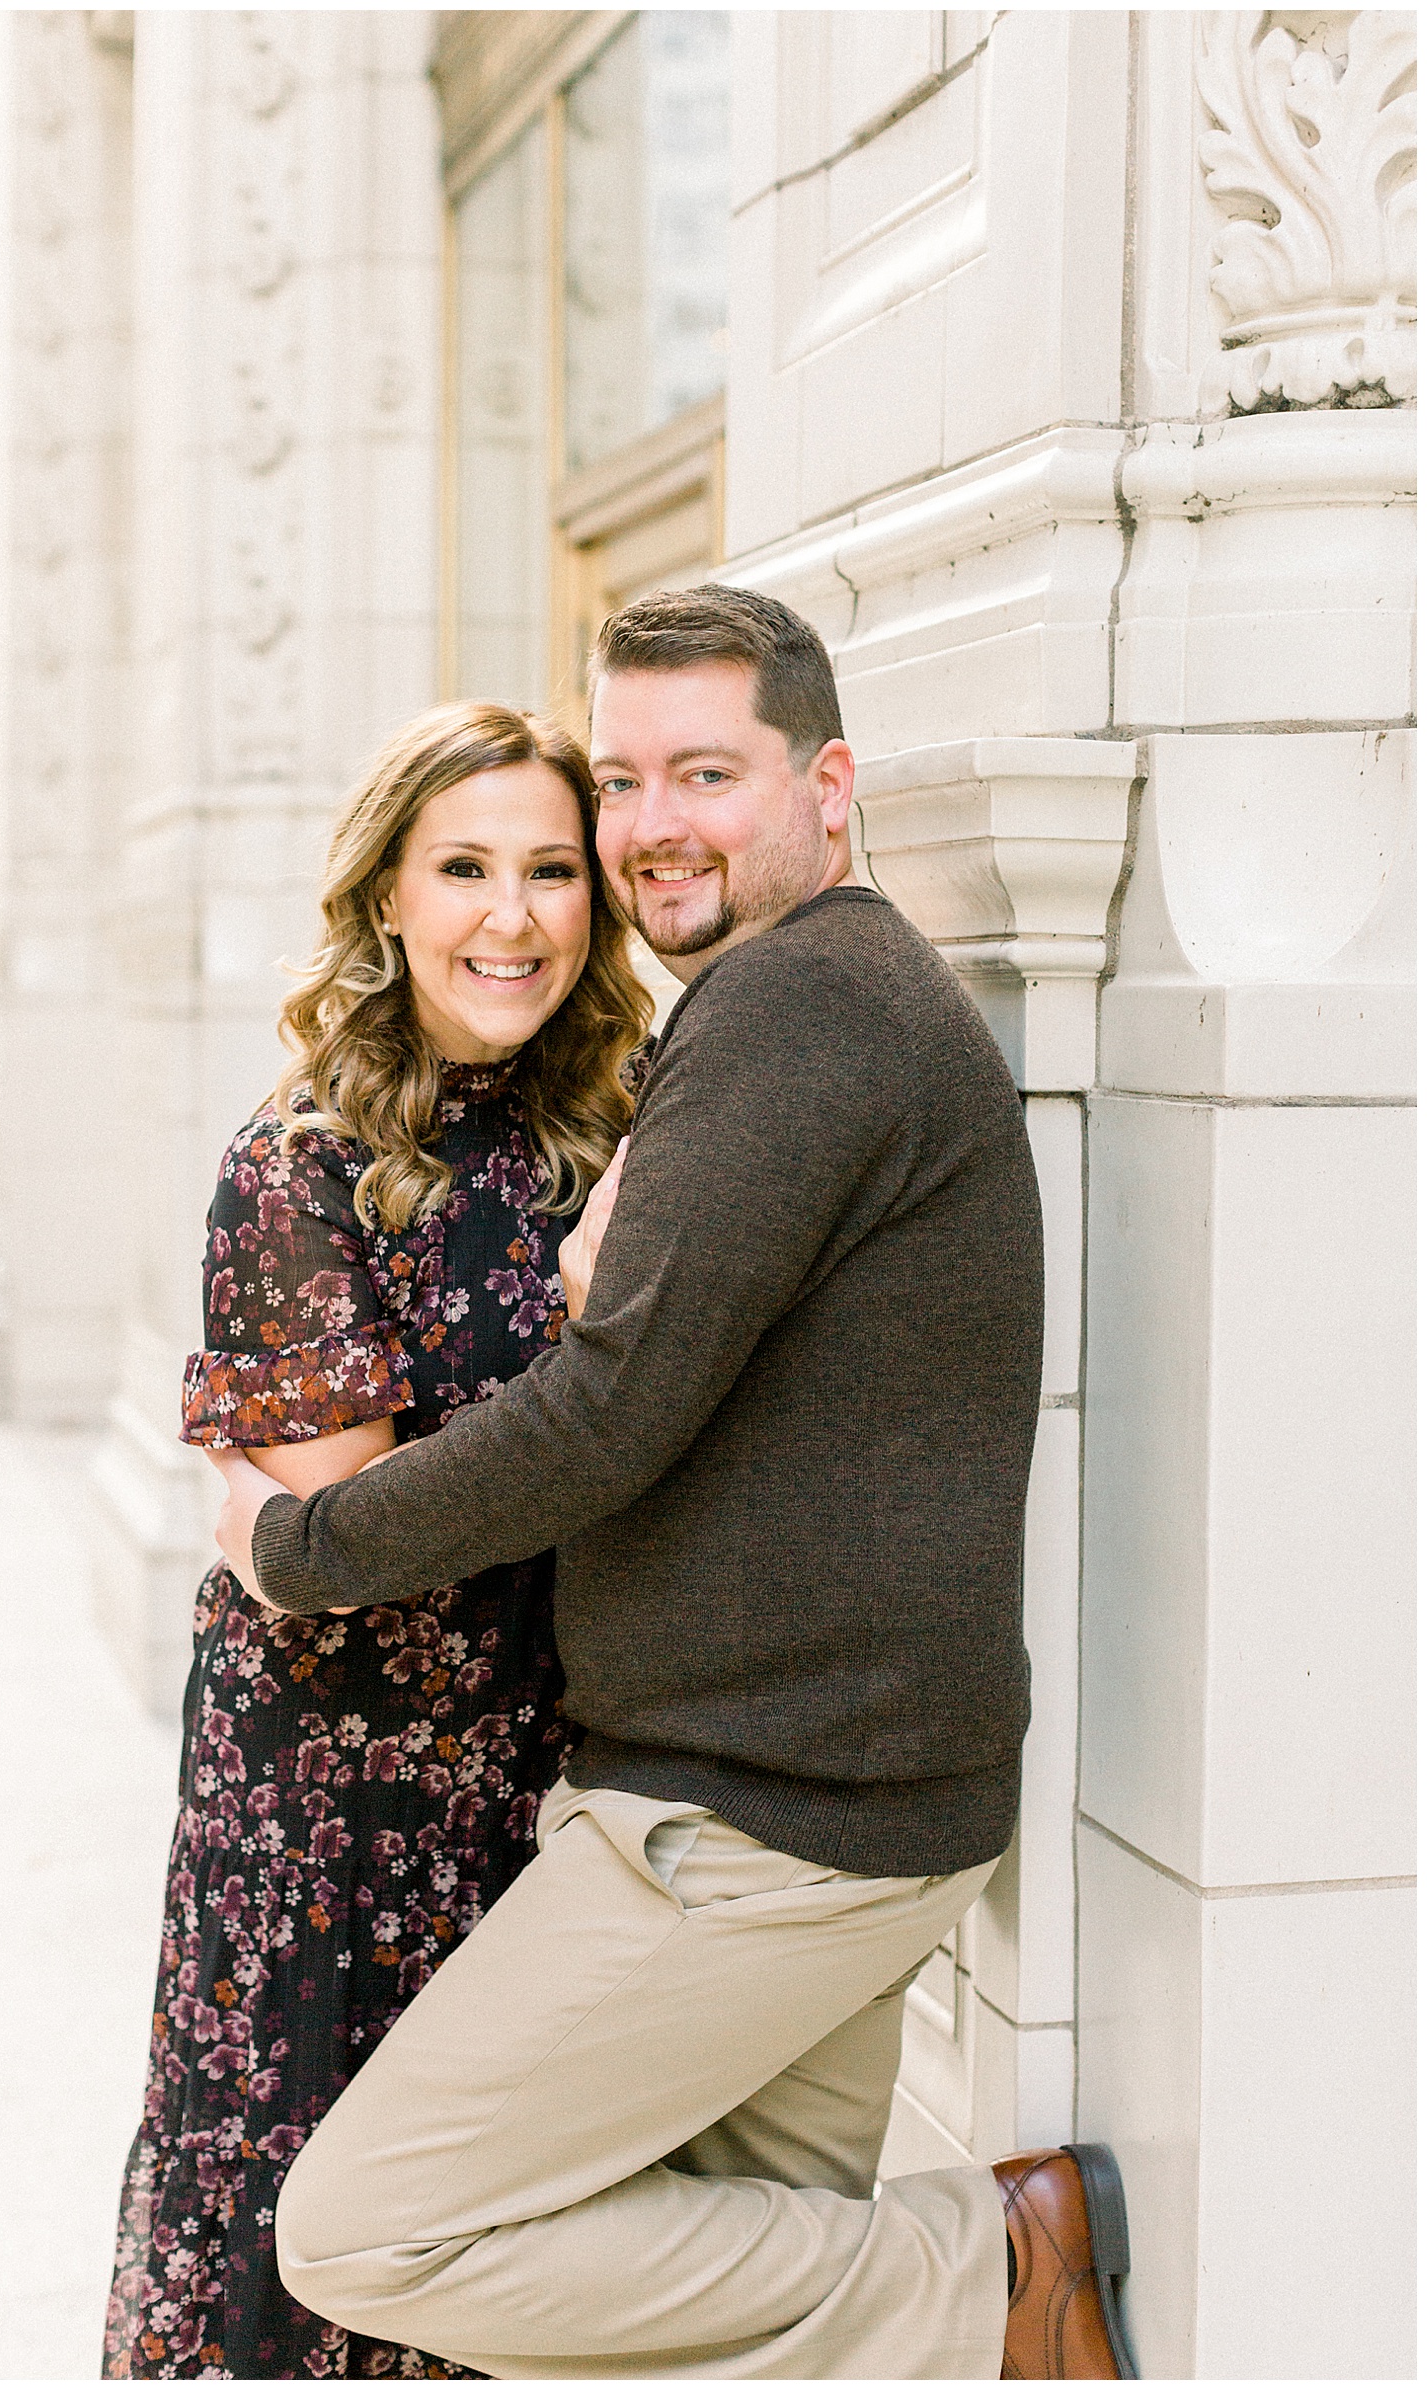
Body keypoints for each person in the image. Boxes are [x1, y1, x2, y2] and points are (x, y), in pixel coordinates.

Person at [211, 586, 1138, 2381]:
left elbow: (605, 1416)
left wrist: (298, 1544)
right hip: (844, 1787)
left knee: (369, 2222)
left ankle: (992, 2270)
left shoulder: (794, 1008)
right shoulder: (817, 998)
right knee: (721, 2331)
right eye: (623, 777)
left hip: (755, 1817)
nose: (649, 825)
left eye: (705, 771)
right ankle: (976, 2287)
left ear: (830, 782)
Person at [102, 703, 653, 2380]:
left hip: (540, 1770)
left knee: (500, 2228)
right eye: (466, 867)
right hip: (335, 1798)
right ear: (389, 898)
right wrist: (586, 1330)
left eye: (552, 870)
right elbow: (352, 1536)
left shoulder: (610, 1137)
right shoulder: (300, 1166)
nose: (513, 915)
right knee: (318, 2202)